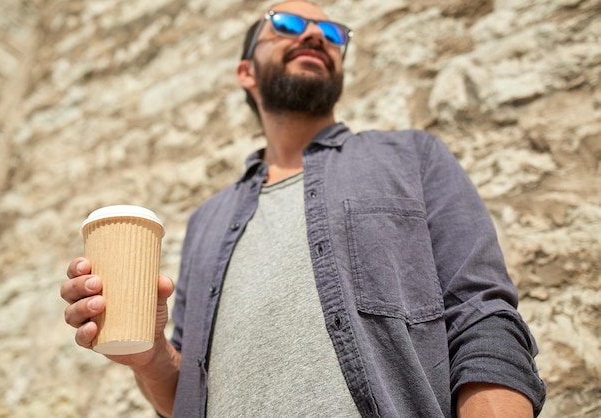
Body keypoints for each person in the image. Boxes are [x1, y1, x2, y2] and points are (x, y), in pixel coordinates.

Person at [61, 1, 547, 417]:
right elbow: (184, 397)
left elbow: (481, 317)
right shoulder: (207, 219)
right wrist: (148, 355)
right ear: (245, 72)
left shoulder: (413, 156)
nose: (315, 33)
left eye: (333, 33)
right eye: (288, 25)